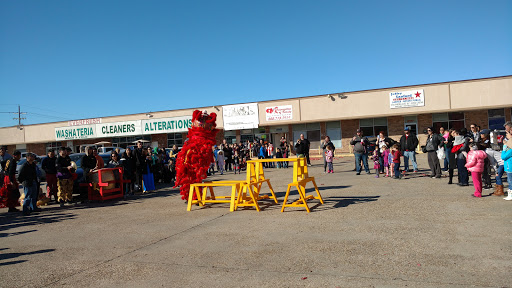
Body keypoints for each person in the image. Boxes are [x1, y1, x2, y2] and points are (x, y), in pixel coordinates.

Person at [501, 130, 512, 200]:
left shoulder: (510, 149)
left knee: (510, 181)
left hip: (509, 166)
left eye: (507, 134)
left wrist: (504, 148)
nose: (506, 136)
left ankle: (510, 195)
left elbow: (503, 157)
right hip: (509, 166)